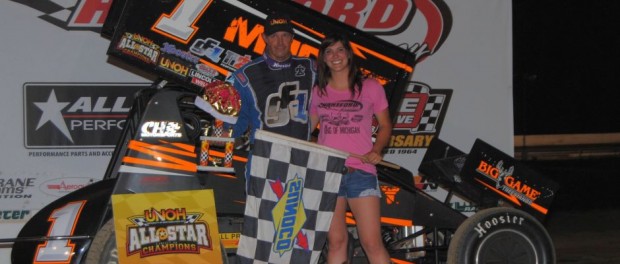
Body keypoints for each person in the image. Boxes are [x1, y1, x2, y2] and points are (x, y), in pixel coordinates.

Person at [309, 33, 392, 263]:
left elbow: (385, 125)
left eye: (340, 50)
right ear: (323, 59)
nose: (335, 56)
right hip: (328, 173)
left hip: (361, 173)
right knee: (336, 242)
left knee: (372, 243)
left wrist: (377, 150)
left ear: (348, 55)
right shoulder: (318, 91)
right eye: (329, 52)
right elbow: (307, 130)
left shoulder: (371, 87)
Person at [226, 12, 317, 187]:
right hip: (264, 158)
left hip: (301, 159)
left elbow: (329, 101)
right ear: (264, 38)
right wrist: (225, 133)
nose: (280, 42)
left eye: (285, 35)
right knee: (259, 214)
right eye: (274, 36)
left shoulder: (310, 68)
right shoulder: (246, 75)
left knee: (295, 214)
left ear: (292, 38)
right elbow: (240, 119)